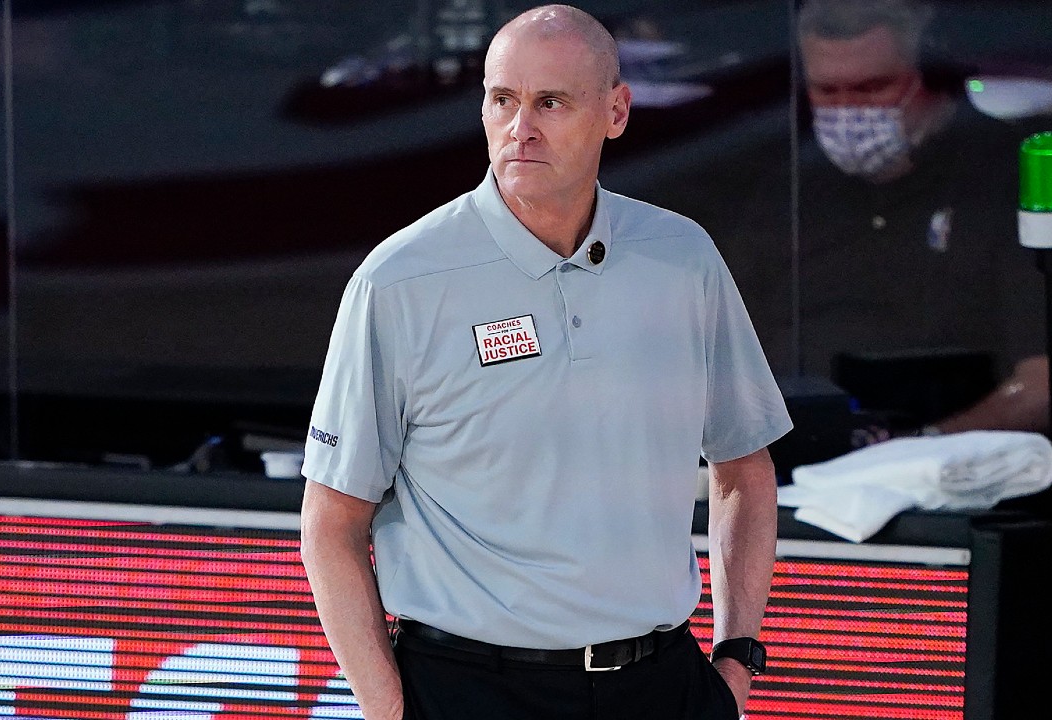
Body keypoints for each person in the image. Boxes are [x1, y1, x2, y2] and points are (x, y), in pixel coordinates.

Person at [298, 5, 793, 720]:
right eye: (503, 100)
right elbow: (330, 521)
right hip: (467, 688)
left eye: (551, 103)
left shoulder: (683, 259)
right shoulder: (400, 280)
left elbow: (744, 468)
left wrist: (737, 658)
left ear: (616, 111)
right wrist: (388, 710)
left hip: (664, 686)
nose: (520, 128)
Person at [794, 0, 1052, 440]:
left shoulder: (1006, 177)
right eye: (827, 92)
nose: (848, 110)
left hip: (961, 475)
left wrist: (912, 452)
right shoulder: (791, 188)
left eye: (872, 88)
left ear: (929, 79)